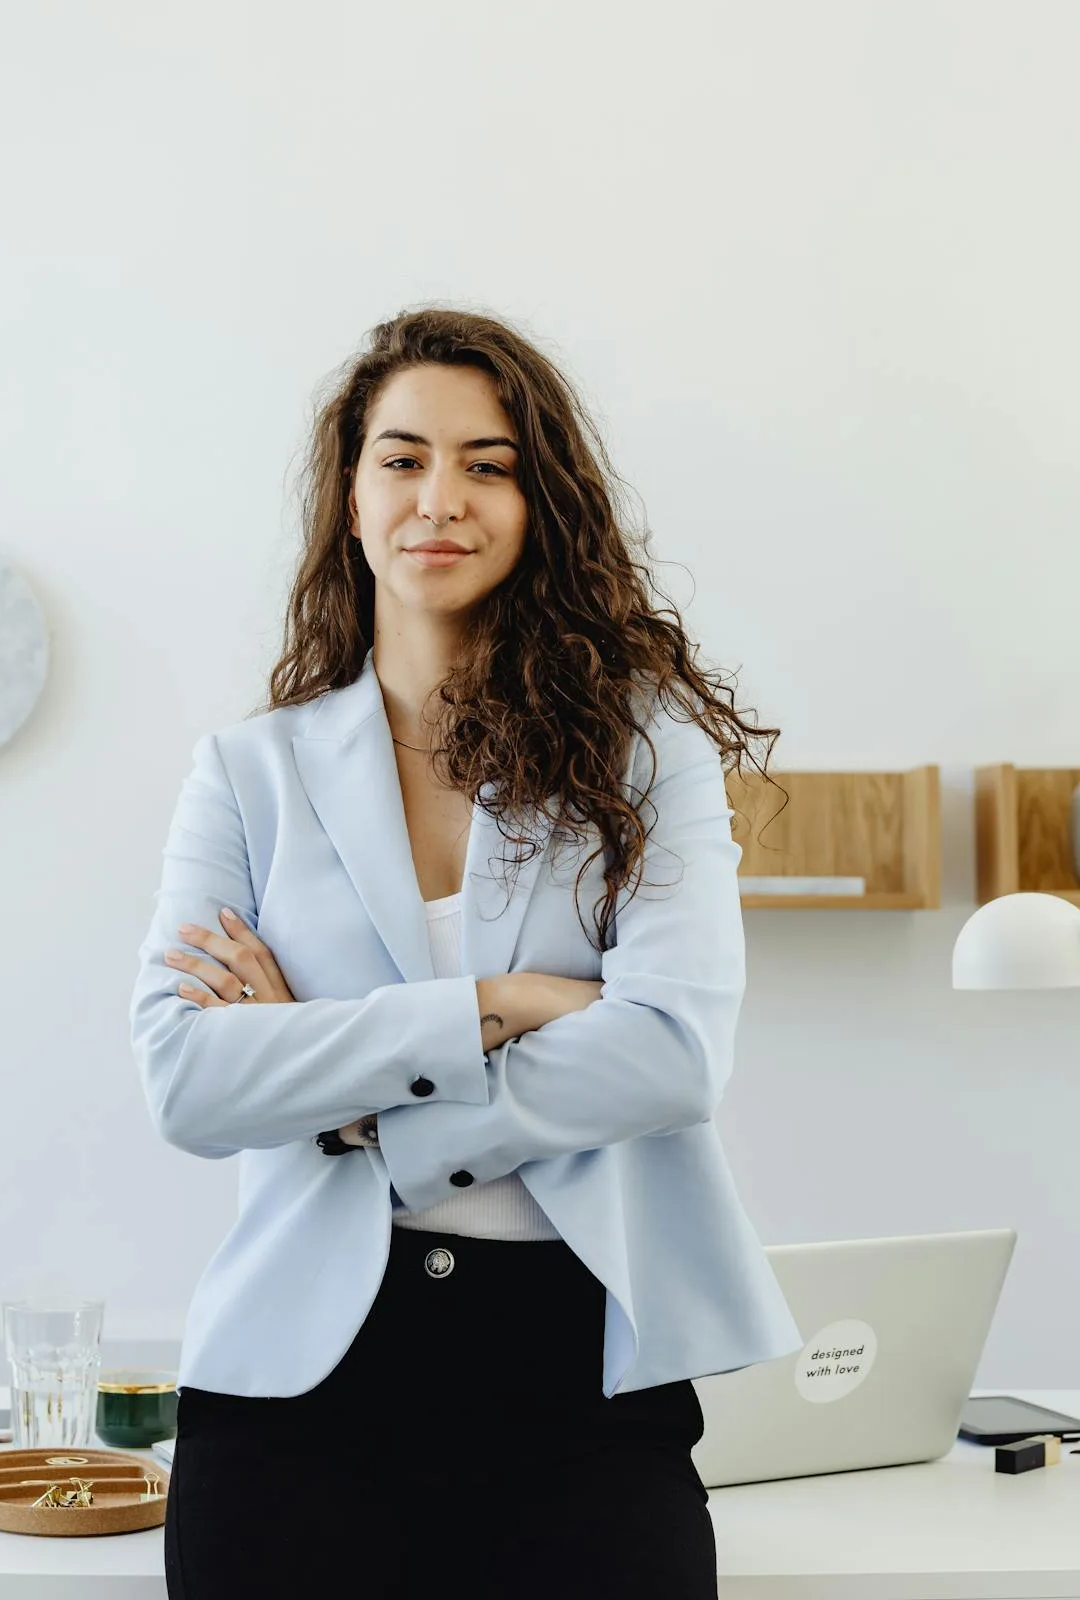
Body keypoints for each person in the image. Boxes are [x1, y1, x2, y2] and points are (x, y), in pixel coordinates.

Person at [129, 305, 803, 1598]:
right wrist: (495, 1001)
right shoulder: (248, 773)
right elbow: (190, 1083)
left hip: (580, 1374)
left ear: (538, 500)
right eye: (403, 457)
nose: (441, 496)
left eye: (488, 464)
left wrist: (348, 1104)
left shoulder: (643, 755)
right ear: (349, 493)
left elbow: (668, 1056)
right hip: (299, 1380)